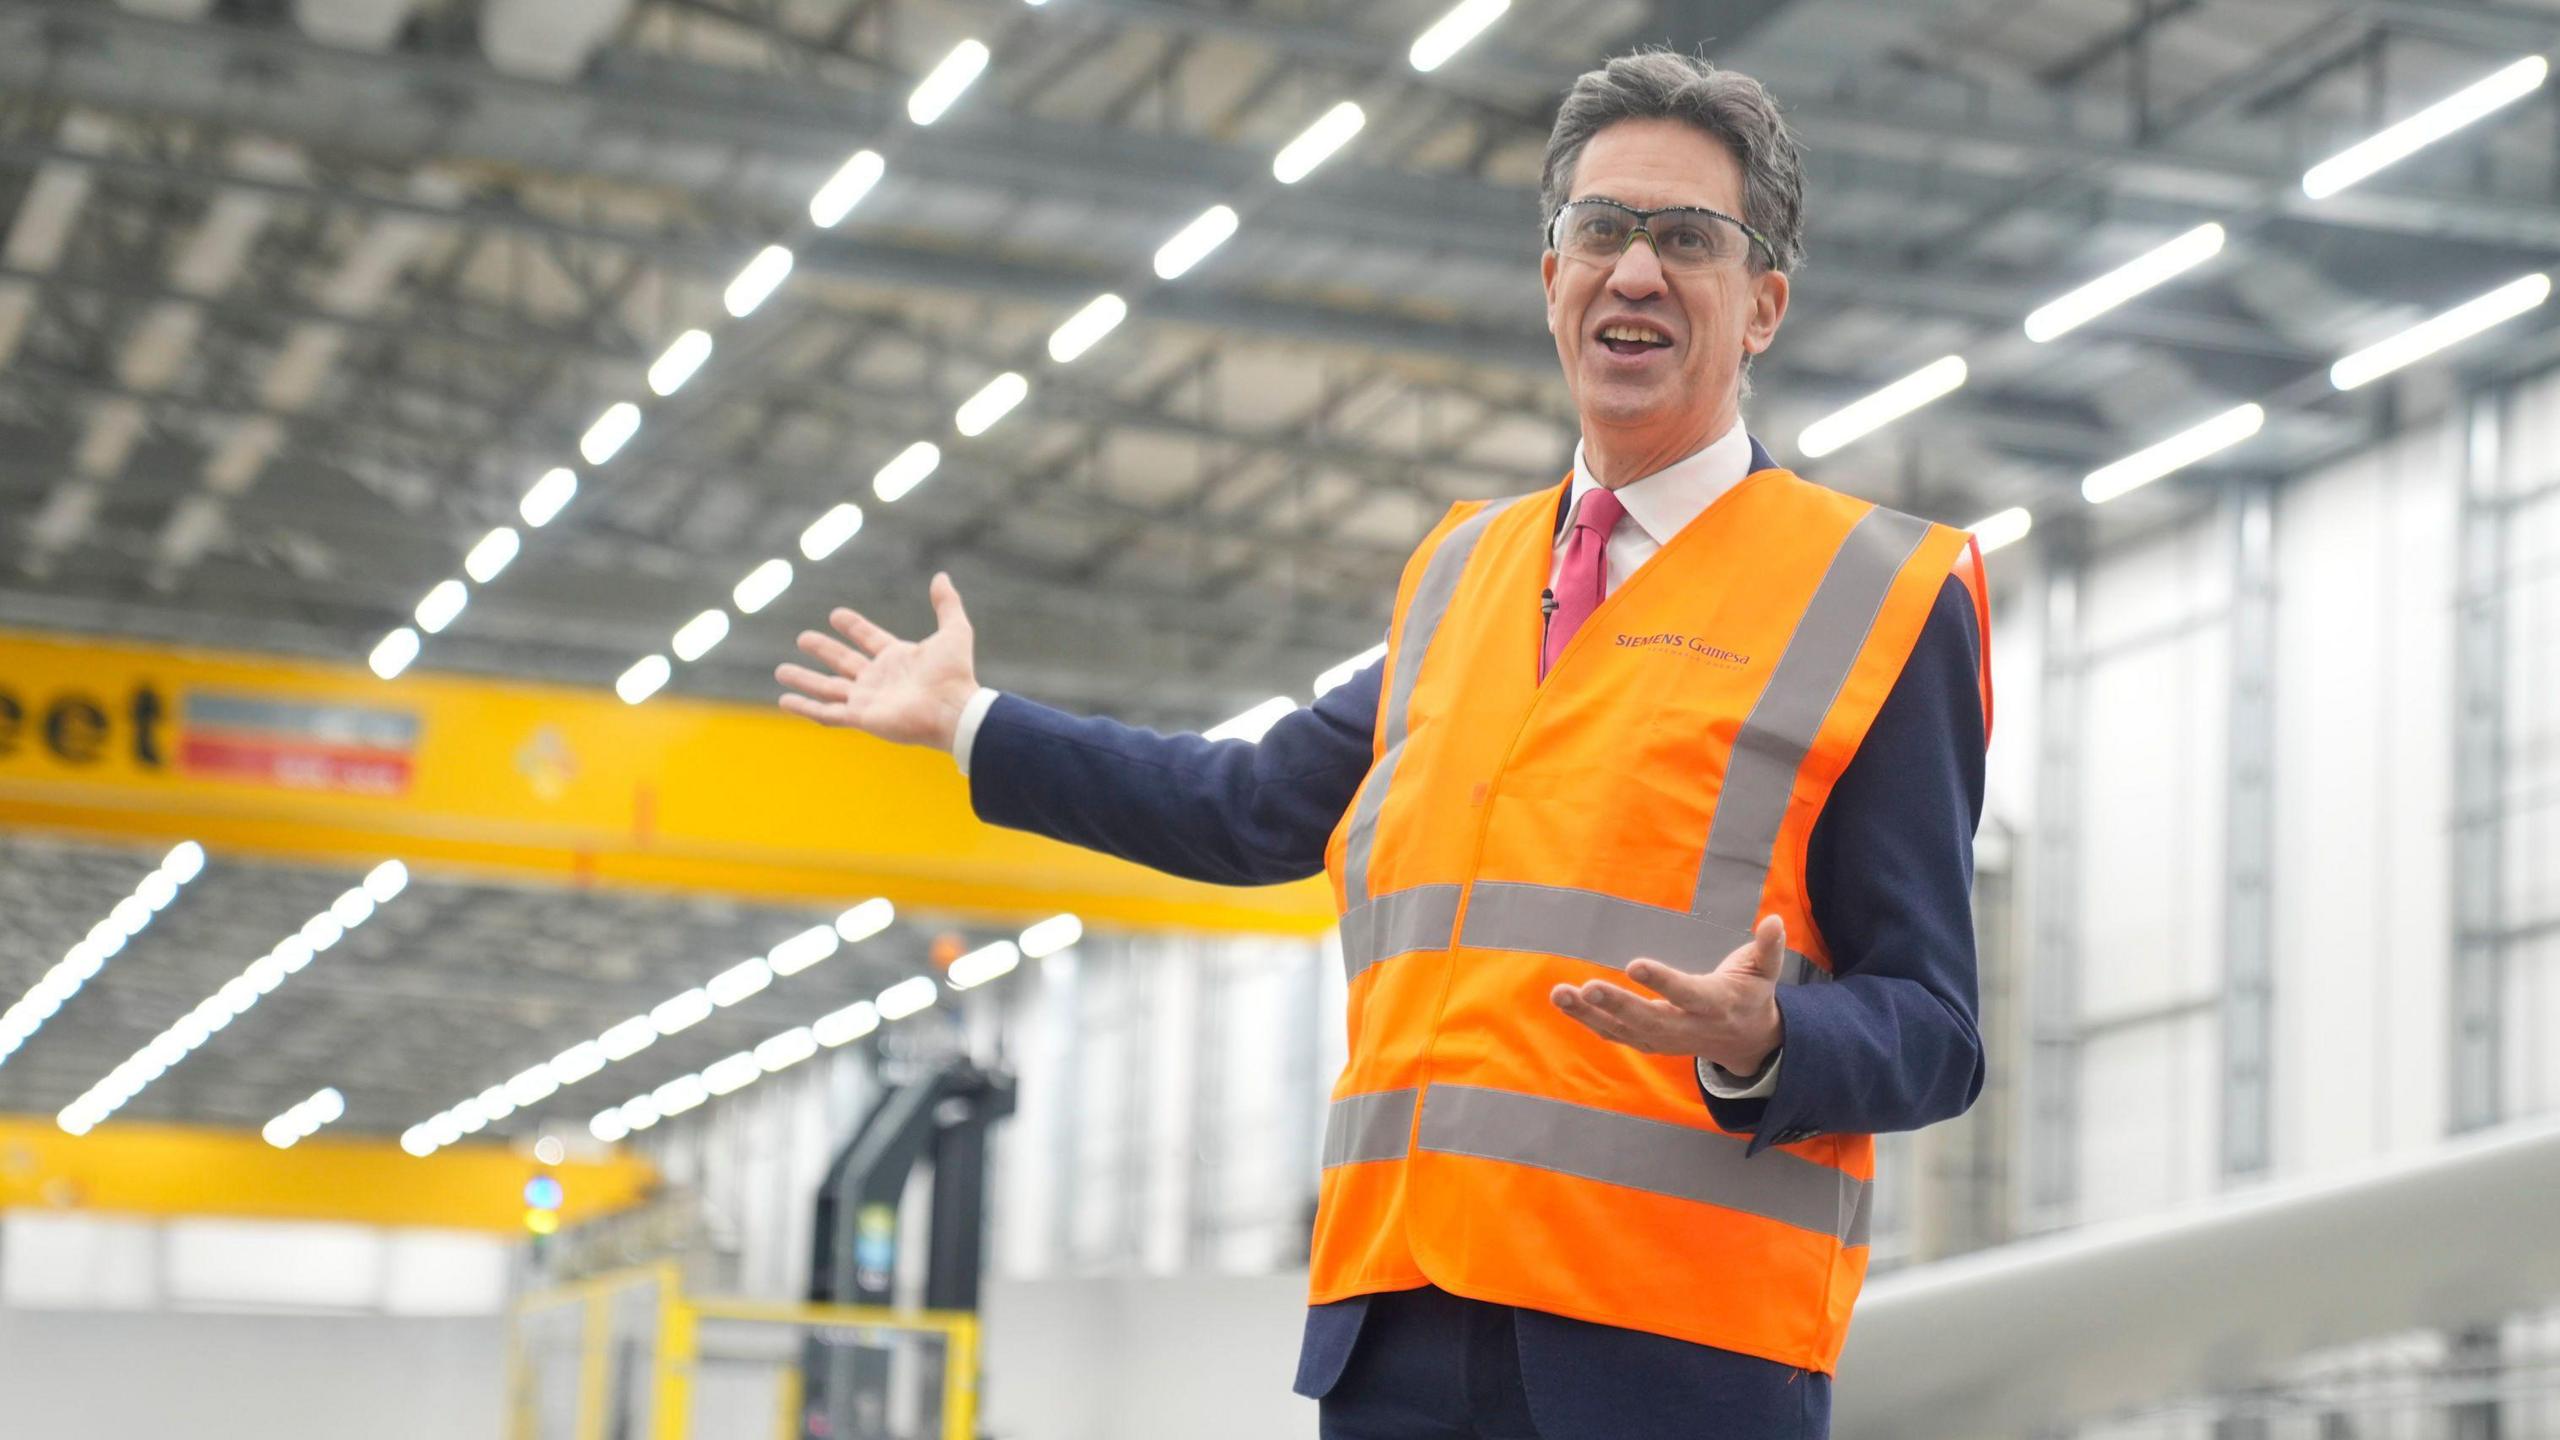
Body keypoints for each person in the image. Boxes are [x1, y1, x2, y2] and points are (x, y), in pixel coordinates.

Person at [777, 49, 1992, 1440]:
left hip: (1674, 1360)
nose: (1636, 271)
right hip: (1395, 1338)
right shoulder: (1457, 580)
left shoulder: (1878, 596)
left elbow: (1937, 1032)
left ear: (1763, 302)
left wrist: (1770, 1035)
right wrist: (974, 722)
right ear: (1551, 285)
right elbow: (1243, 811)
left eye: (1687, 240)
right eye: (1600, 230)